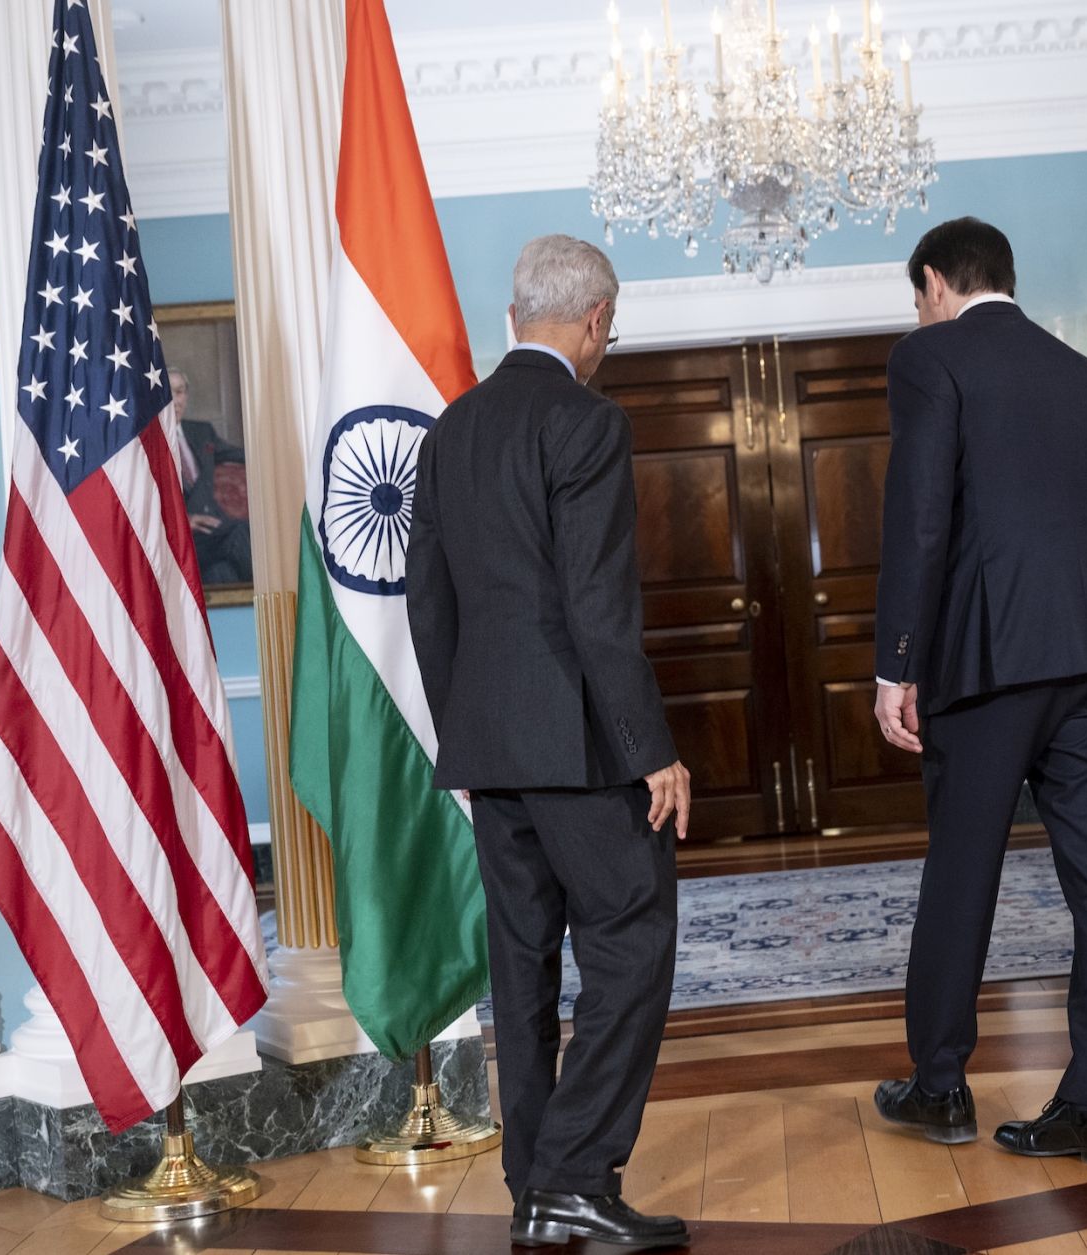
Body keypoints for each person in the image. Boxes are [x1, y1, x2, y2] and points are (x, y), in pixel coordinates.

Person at [405, 235, 694, 1250]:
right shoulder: (587, 421)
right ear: (593, 322)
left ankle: (536, 1183)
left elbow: (426, 607)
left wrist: (465, 741)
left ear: (516, 315)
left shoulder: (450, 431)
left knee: (521, 967)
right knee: (632, 940)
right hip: (578, 748)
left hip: (491, 753)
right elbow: (598, 607)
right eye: (608, 327)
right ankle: (573, 1177)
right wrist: (651, 749)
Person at [870, 217, 1087, 1167]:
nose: (919, 313)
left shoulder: (931, 360)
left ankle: (941, 1084)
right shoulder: (1084, 374)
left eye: (917, 298)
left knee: (965, 867)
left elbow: (921, 519)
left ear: (934, 283)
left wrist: (898, 662)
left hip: (992, 655)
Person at [165, 367, 252, 585]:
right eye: (168, 392)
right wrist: (185, 521)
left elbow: (244, 455)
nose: (175, 400)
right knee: (239, 532)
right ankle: (273, 591)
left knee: (222, 574)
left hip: (214, 531)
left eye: (180, 392)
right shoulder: (146, 444)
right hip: (182, 538)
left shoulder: (202, 432)